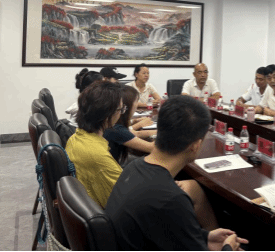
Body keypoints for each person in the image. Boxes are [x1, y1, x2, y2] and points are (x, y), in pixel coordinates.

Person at [106, 96, 249, 251]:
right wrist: (228, 248)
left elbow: (165, 228)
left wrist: (205, 237)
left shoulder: (134, 167)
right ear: (196, 145)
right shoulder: (171, 199)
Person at [65, 80, 124, 208]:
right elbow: (126, 201)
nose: (121, 113)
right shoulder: (98, 157)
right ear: (107, 114)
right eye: (120, 109)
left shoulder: (75, 137)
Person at [103, 86, 155, 165]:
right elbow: (152, 148)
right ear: (127, 105)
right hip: (117, 165)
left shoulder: (113, 123)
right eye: (136, 101)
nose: (137, 105)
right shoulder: (117, 129)